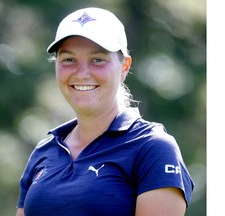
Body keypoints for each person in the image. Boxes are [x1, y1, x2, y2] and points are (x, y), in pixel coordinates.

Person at [16, 7, 194, 216]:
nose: (81, 74)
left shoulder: (152, 148)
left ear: (125, 67)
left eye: (97, 59)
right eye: (68, 59)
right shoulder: (44, 151)